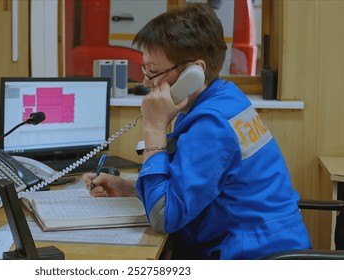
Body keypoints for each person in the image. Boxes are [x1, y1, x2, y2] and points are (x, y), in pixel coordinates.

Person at [83, 3, 311, 260]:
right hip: (262, 239)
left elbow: (164, 218)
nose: (147, 82)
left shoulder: (212, 124)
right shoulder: (223, 97)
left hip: (252, 255)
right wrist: (130, 187)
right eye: (145, 69)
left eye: (154, 72)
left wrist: (154, 127)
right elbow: (196, 184)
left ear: (193, 73)